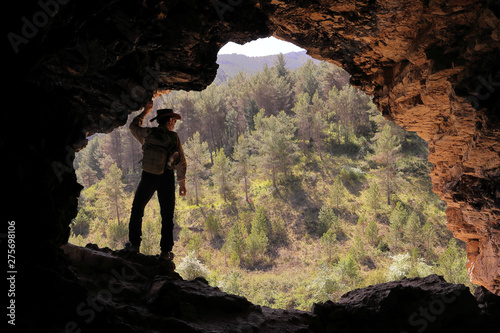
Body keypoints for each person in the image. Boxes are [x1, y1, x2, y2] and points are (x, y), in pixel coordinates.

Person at [125, 99, 187, 260]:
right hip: (166, 177)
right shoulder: (173, 137)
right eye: (173, 120)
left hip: (148, 176)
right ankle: (165, 252)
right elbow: (181, 162)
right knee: (167, 214)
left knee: (137, 209)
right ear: (170, 121)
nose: (174, 123)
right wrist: (182, 183)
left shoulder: (149, 134)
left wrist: (145, 111)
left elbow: (133, 126)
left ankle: (134, 245)